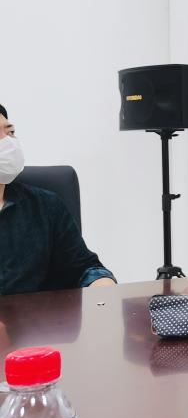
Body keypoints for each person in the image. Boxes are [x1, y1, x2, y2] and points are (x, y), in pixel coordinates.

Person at [0, 104, 116, 294]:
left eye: (10, 132)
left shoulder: (44, 205)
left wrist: (104, 289)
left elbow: (84, 268)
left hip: (38, 313)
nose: (8, 142)